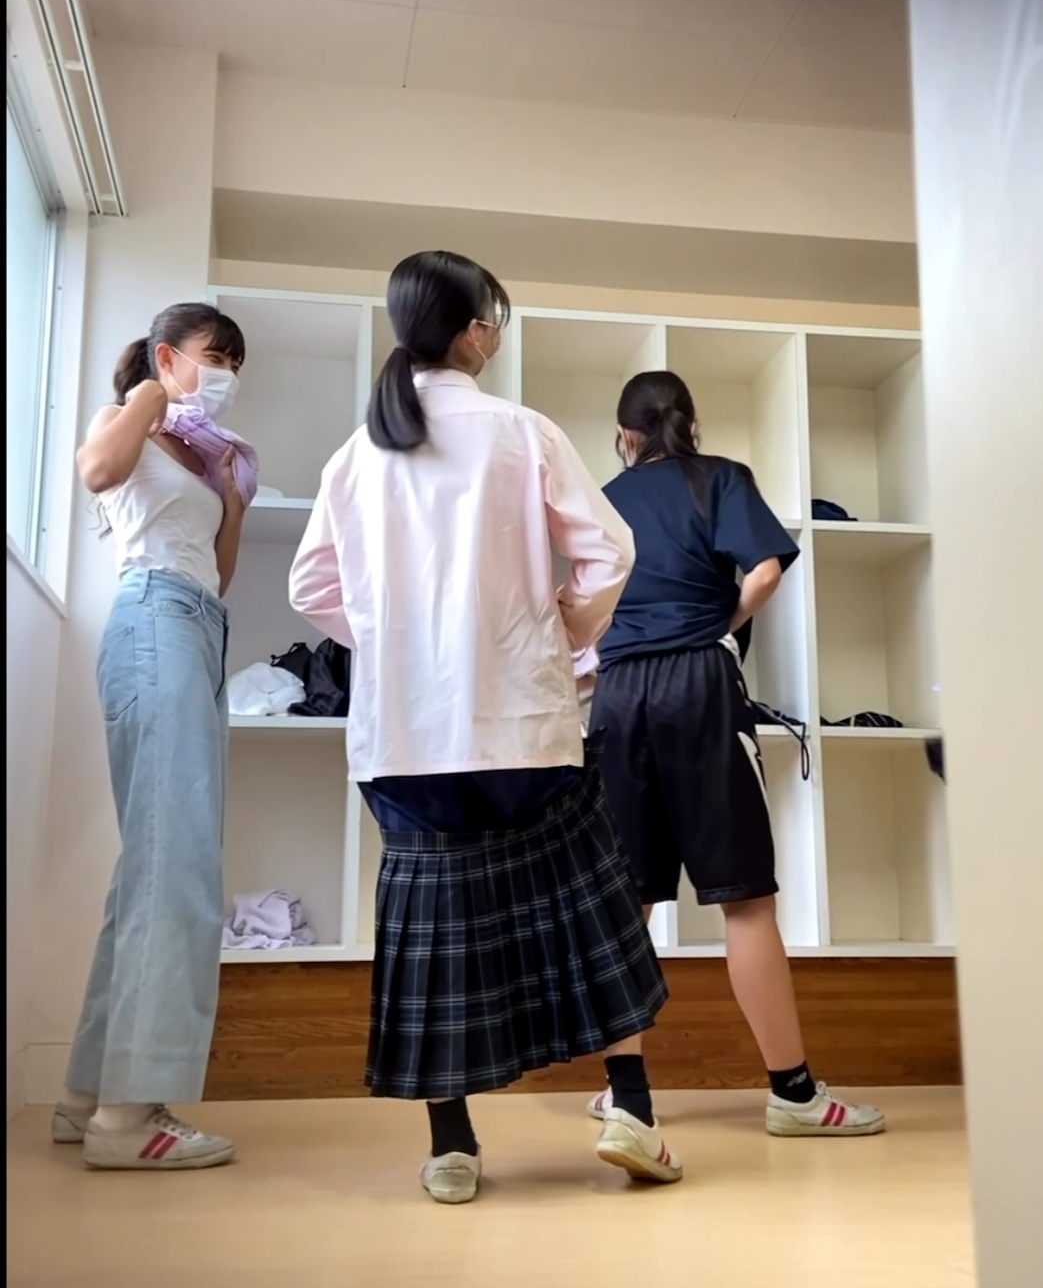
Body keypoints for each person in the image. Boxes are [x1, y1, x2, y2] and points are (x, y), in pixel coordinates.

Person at [289, 251, 681, 1204]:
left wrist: (394, 640)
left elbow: (310, 588)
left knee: (436, 942)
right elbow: (609, 551)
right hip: (523, 727)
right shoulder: (520, 431)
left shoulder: (355, 455)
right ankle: (630, 1112)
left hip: (404, 742)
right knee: (596, 917)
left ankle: (452, 1147)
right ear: (474, 332)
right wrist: (560, 631)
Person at [586, 370, 886, 1138]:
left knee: (627, 902)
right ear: (689, 425)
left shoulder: (603, 497)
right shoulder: (717, 478)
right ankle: (793, 1094)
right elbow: (764, 568)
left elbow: (579, 604)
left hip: (615, 694)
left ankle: (624, 1094)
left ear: (624, 436)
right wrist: (717, 624)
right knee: (744, 901)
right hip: (697, 685)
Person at [52, 302, 258, 1170]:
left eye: (237, 362)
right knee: (176, 866)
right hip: (153, 621)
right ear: (169, 356)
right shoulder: (131, 413)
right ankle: (130, 1119)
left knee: (154, 864)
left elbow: (218, 574)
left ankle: (88, 1098)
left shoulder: (202, 454)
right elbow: (96, 470)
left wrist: (232, 497)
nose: (228, 373)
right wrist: (147, 396)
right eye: (216, 356)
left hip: (199, 628)